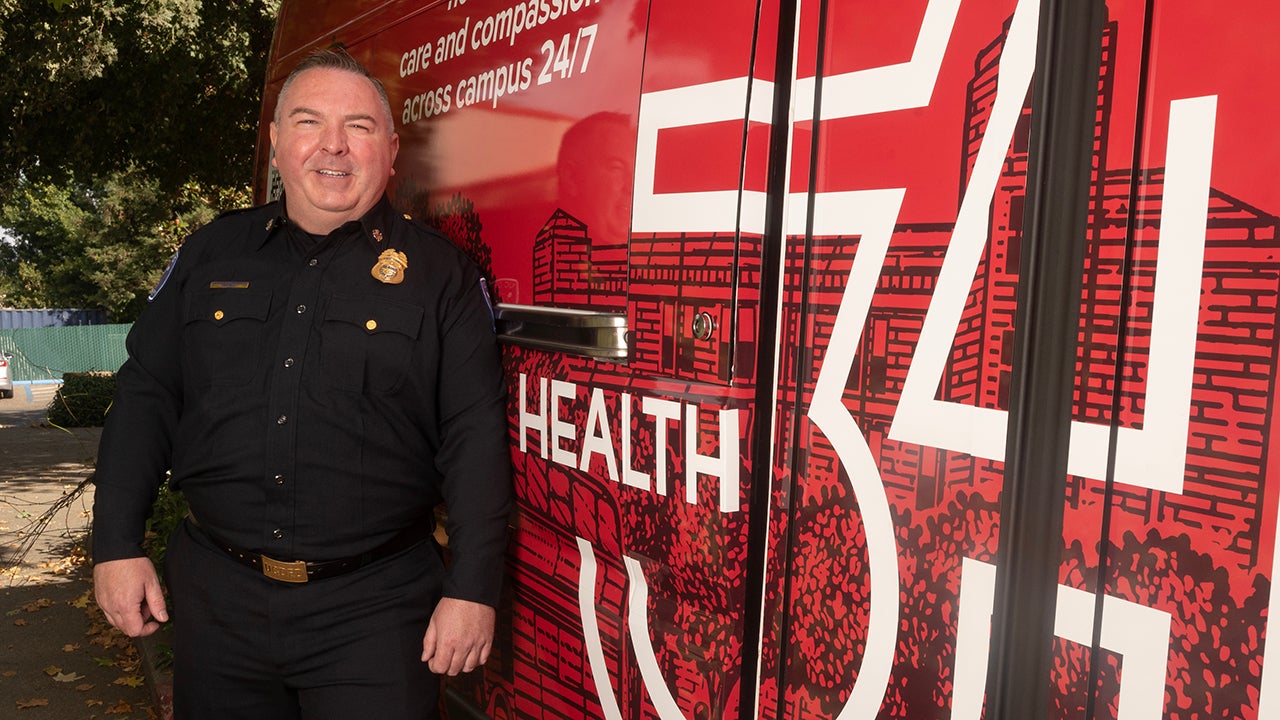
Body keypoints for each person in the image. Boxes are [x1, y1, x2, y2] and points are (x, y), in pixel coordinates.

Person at [91, 48, 513, 719]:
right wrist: (115, 543)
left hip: (376, 612)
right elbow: (147, 399)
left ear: (392, 150)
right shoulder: (210, 255)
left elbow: (474, 438)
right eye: (310, 122)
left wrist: (473, 589)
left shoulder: (443, 278)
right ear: (278, 142)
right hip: (217, 602)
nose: (335, 146)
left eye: (361, 127)